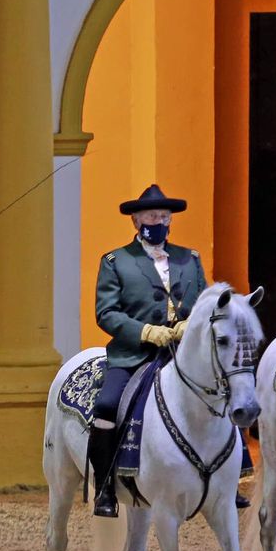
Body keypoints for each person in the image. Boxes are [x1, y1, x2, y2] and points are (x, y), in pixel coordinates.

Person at [88, 184, 209, 518]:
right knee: (107, 405)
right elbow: (106, 312)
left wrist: (190, 324)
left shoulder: (190, 258)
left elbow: (205, 302)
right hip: (134, 354)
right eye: (152, 216)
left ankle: (227, 477)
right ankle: (105, 488)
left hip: (182, 354)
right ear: (136, 221)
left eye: (164, 216)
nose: (159, 221)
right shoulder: (116, 261)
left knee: (223, 394)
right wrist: (146, 332)